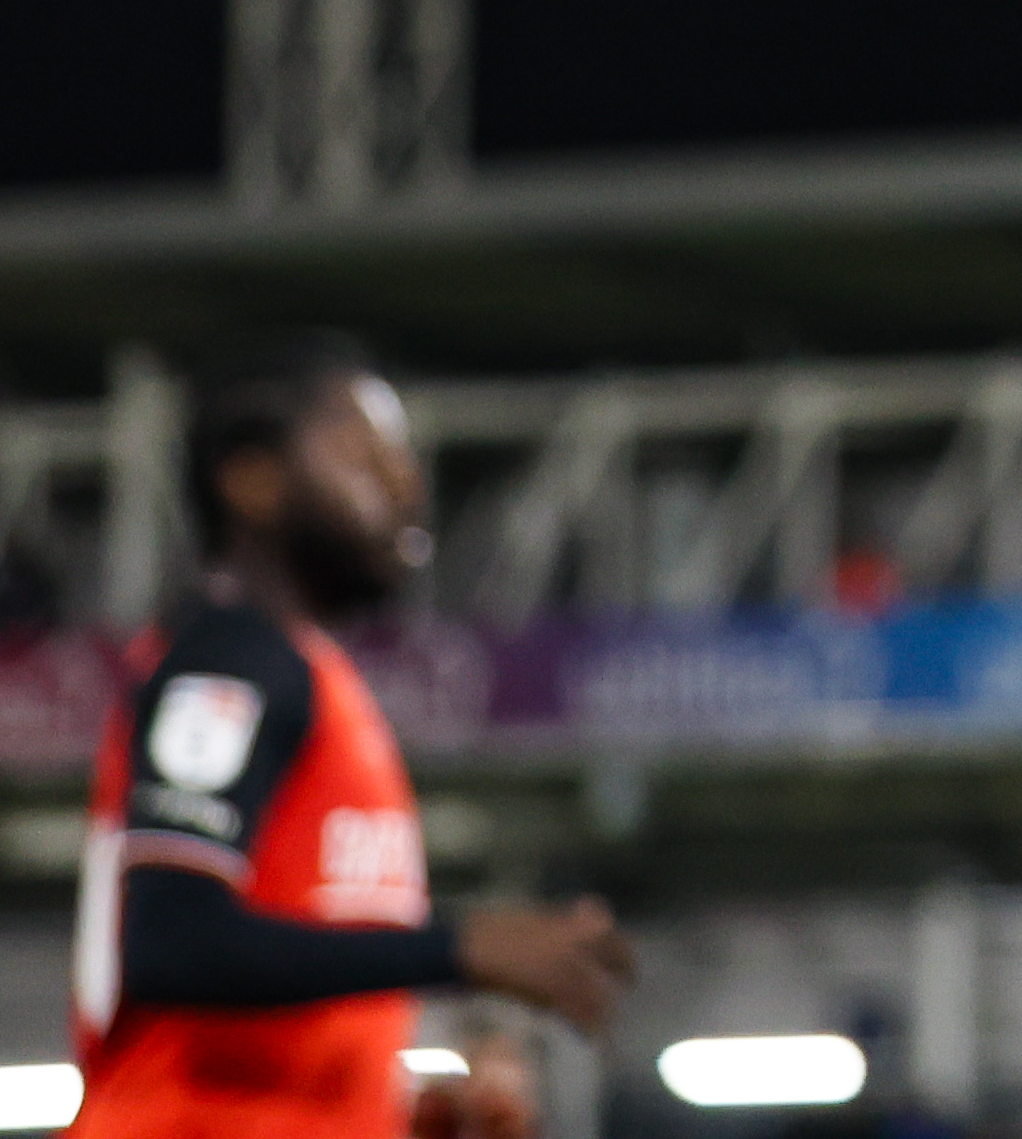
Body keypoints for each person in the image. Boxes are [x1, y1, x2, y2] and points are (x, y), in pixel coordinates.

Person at [67, 337, 633, 1138]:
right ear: (253, 480)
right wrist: (461, 949)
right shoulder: (228, 661)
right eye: (361, 456)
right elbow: (172, 938)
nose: (404, 485)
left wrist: (399, 1110)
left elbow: (274, 1008)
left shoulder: (315, 675)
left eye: (402, 459)